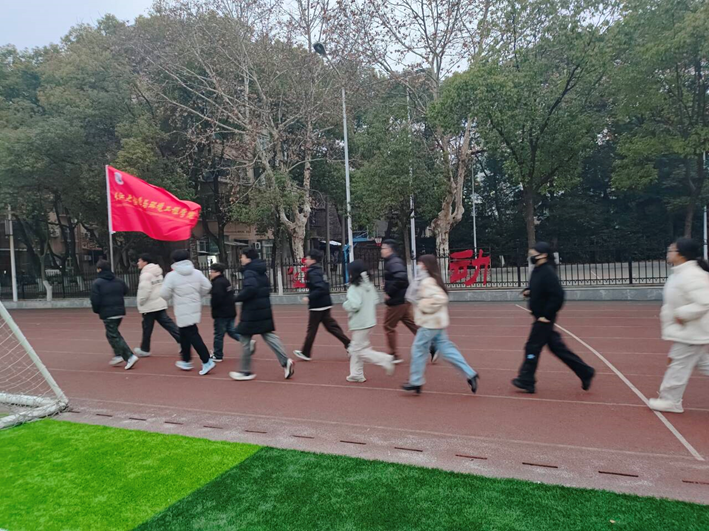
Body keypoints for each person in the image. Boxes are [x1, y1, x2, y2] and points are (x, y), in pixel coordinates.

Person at [512, 242, 595, 394]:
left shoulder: (548, 272)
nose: (531, 257)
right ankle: (585, 371)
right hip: (539, 316)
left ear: (543, 255)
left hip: (544, 318)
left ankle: (526, 379)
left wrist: (547, 315)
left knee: (532, 347)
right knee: (557, 348)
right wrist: (529, 291)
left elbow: (558, 296)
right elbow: (539, 288)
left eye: (534, 254)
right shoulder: (538, 270)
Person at [402, 255, 478, 394]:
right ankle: (470, 373)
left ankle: (416, 381)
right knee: (447, 349)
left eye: (420, 263)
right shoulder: (432, 278)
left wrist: (423, 305)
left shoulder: (427, 281)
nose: (418, 265)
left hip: (429, 323)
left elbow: (440, 298)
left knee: (418, 350)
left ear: (425, 265)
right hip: (437, 323)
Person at [650, 238, 709, 413]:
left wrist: (681, 314)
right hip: (689, 330)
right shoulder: (680, 273)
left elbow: (705, 301)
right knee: (702, 363)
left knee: (678, 364)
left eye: (672, 250)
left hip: (693, 331)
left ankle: (670, 401)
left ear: (682, 254)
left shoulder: (692, 275)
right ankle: (670, 400)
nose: (668, 253)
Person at [229, 248, 294, 381]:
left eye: (242, 256)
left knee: (245, 339)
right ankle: (285, 361)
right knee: (269, 335)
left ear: (248, 258)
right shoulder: (260, 271)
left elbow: (250, 289)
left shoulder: (249, 271)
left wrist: (236, 298)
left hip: (251, 311)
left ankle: (245, 371)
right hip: (263, 308)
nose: (241, 259)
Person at [381, 240, 437, 364]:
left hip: (397, 301)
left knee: (388, 326)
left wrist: (389, 292)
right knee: (412, 324)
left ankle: (394, 355)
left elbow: (400, 278)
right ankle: (432, 345)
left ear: (390, 249)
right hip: (403, 299)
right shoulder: (392, 262)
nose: (382, 251)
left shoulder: (394, 262)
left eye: (383, 248)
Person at [160, 250, 215, 376]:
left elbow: (164, 294)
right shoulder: (197, 273)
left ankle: (206, 360)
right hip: (194, 306)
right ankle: (186, 360)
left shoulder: (172, 276)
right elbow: (207, 286)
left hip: (181, 308)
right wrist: (197, 295)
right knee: (184, 333)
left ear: (174, 261)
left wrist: (172, 295)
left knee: (192, 334)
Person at [343, 260, 396, 383]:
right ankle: (356, 374)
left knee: (357, 350)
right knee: (358, 347)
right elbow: (375, 299)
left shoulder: (354, 288)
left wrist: (346, 305)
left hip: (360, 322)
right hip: (369, 321)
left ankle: (384, 359)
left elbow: (354, 305)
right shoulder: (369, 285)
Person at [293, 249, 350, 361]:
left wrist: (309, 297)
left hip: (318, 305)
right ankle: (349, 345)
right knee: (331, 327)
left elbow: (321, 288)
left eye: (307, 258)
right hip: (324, 303)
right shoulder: (319, 270)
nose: (305, 261)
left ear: (313, 260)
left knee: (312, 329)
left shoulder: (313, 272)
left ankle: (306, 353)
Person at [90, 260, 139, 370]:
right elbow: (125, 290)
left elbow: (95, 299)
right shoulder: (119, 280)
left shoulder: (97, 283)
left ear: (99, 269)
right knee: (110, 333)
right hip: (119, 311)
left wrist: (97, 310)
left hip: (108, 312)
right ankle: (118, 354)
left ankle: (129, 356)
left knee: (114, 335)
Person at [134, 253, 183, 358]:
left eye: (139, 261)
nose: (138, 263)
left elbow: (145, 290)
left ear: (145, 262)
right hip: (159, 302)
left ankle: (145, 349)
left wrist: (141, 301)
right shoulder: (158, 272)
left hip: (150, 305)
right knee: (168, 324)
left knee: (147, 328)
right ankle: (183, 341)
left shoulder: (145, 275)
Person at [209, 263, 255, 362]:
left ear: (217, 272)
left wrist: (214, 307)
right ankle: (246, 341)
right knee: (231, 330)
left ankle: (218, 355)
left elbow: (217, 298)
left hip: (222, 313)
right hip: (230, 311)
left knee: (219, 334)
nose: (210, 273)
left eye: (212, 271)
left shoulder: (217, 283)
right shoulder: (225, 281)